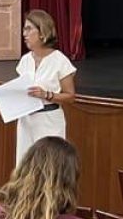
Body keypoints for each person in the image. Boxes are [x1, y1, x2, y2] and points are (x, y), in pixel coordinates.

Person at [9, 9, 77, 165]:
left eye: (28, 29)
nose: (24, 33)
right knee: (25, 166)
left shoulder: (60, 61)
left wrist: (47, 95)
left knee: (48, 166)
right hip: (26, 121)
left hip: (49, 121)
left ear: (42, 32)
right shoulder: (25, 60)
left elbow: (71, 96)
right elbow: (22, 92)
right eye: (24, 29)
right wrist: (6, 102)